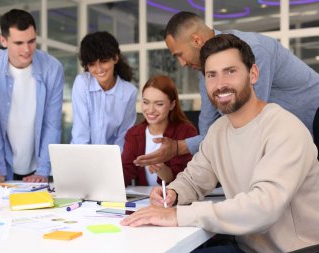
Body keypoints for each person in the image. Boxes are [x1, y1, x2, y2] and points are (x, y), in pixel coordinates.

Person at [121, 34, 319, 253]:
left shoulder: (285, 128)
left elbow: (263, 208)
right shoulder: (218, 131)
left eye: (230, 72)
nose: (220, 84)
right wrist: (173, 193)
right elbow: (195, 179)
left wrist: (178, 215)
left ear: (253, 74)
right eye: (211, 75)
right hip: (246, 247)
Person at [134, 11, 319, 167]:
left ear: (197, 40)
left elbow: (247, 122)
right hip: (291, 141)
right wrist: (178, 148)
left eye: (179, 55)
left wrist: (180, 146)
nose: (181, 64)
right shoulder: (205, 69)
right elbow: (209, 133)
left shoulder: (252, 50)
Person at [0, 9, 64, 182]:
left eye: (31, 41)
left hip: (37, 165)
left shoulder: (53, 68)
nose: (27, 49)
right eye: (18, 43)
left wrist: (43, 170)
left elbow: (52, 124)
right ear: (3, 40)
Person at [122, 75, 197, 186]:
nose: (150, 110)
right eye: (146, 102)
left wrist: (165, 172)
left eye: (159, 104)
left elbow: (189, 178)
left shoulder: (186, 132)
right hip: (144, 200)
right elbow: (126, 171)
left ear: (172, 104)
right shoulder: (133, 134)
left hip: (176, 199)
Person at [71, 31, 137, 151]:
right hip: (80, 154)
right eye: (92, 64)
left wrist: (113, 163)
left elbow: (123, 136)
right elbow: (81, 132)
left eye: (104, 61)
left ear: (115, 58)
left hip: (111, 160)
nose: (99, 69)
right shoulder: (82, 83)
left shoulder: (129, 92)